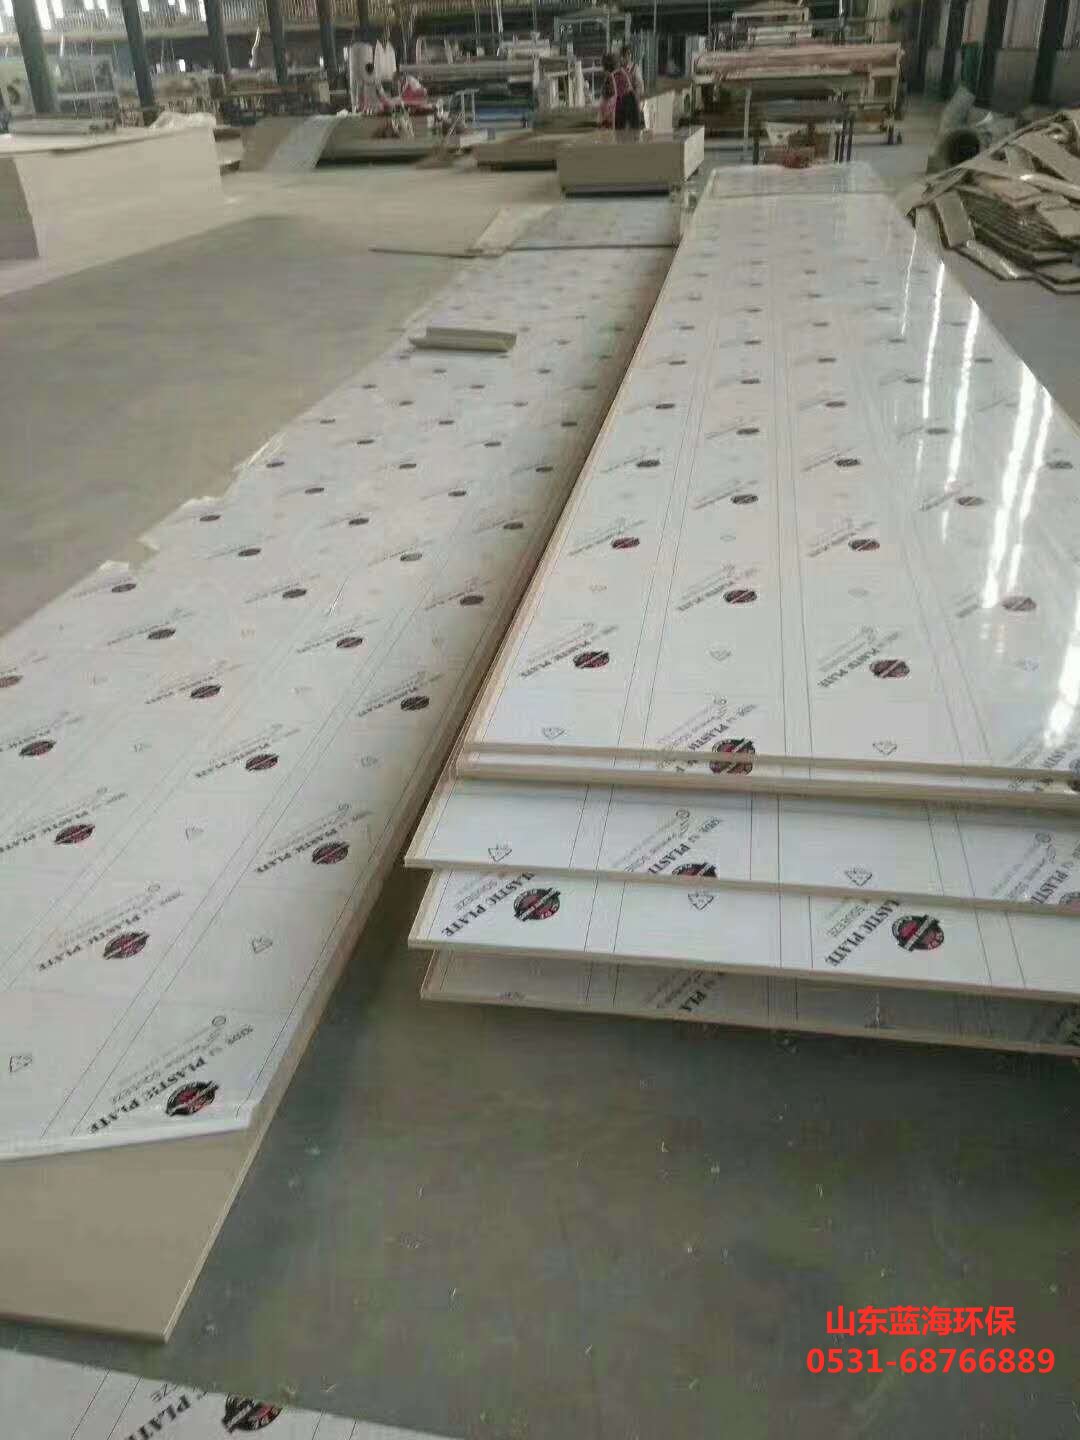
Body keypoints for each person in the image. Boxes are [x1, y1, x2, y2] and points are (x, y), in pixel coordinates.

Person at [613, 51, 639, 133]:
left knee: (624, 129)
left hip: (626, 100)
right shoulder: (620, 73)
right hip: (625, 100)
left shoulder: (619, 73)